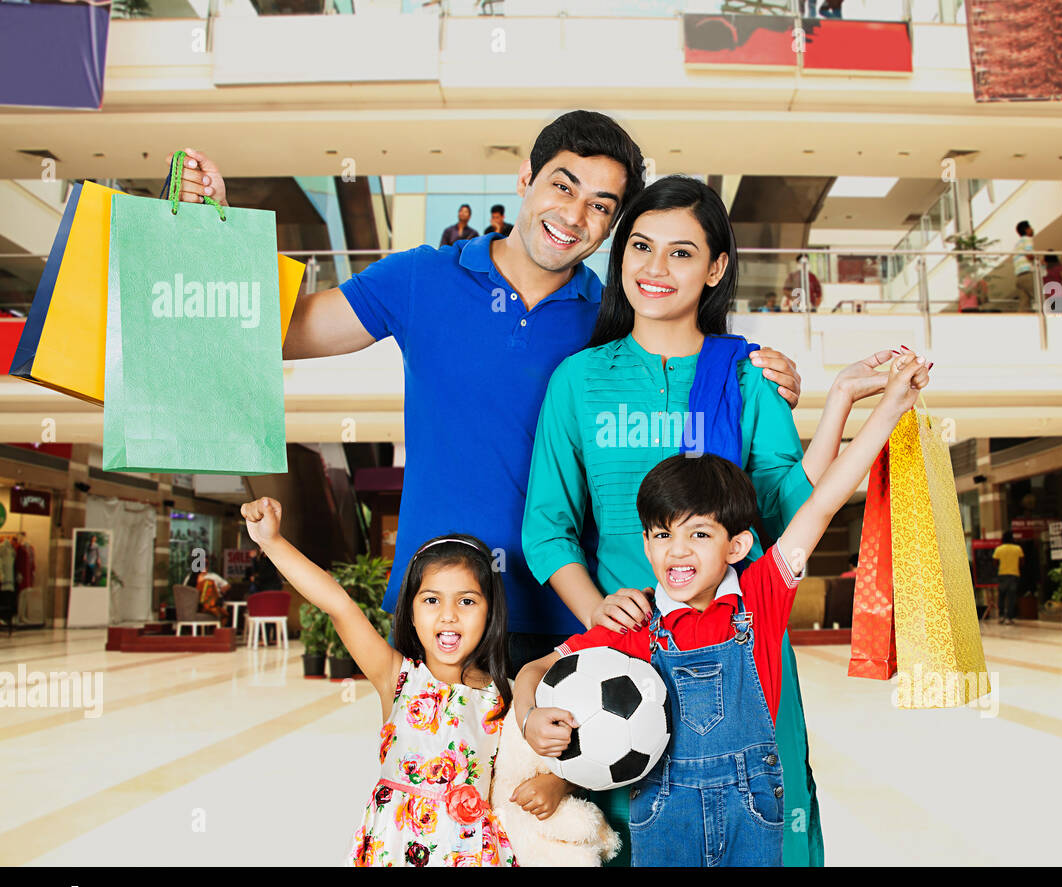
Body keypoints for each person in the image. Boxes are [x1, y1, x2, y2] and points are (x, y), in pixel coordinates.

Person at [170, 112, 802, 674]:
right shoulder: (421, 278)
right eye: (562, 185)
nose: (574, 217)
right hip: (442, 612)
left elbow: (695, 384)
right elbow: (281, 333)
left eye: (602, 206)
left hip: (570, 620)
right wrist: (214, 238)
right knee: (435, 802)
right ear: (525, 180)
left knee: (553, 808)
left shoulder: (611, 316)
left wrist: (762, 380)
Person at [522, 174, 905, 867]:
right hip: (622, 673)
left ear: (717, 267)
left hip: (745, 661)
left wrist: (843, 397)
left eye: (681, 253)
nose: (654, 269)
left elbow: (793, 503)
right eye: (640, 246)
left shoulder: (747, 376)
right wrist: (600, 611)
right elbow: (546, 528)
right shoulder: (577, 382)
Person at [240, 496, 562, 866]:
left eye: (467, 602)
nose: (448, 616)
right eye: (431, 600)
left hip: (471, 853)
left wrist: (556, 784)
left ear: (490, 614)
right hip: (392, 846)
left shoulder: (506, 692)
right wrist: (271, 542)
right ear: (409, 612)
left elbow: (560, 754)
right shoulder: (398, 676)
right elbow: (337, 604)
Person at [993, 530, 1024, 625]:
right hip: (1014, 574)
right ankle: (1009, 617)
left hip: (1002, 574)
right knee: (1011, 597)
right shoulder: (1017, 549)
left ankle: (1001, 616)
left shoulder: (999, 549)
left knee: (1001, 596)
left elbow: (995, 562)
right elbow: (1022, 562)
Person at [1013, 220, 1036, 311]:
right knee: (1040, 297)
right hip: (1027, 274)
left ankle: (1022, 321)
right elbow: (1029, 255)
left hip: (1019, 276)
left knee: (1024, 303)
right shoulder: (1027, 239)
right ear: (1026, 230)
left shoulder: (1017, 244)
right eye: (1030, 228)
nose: (1032, 229)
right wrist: (1036, 259)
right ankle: (1050, 318)